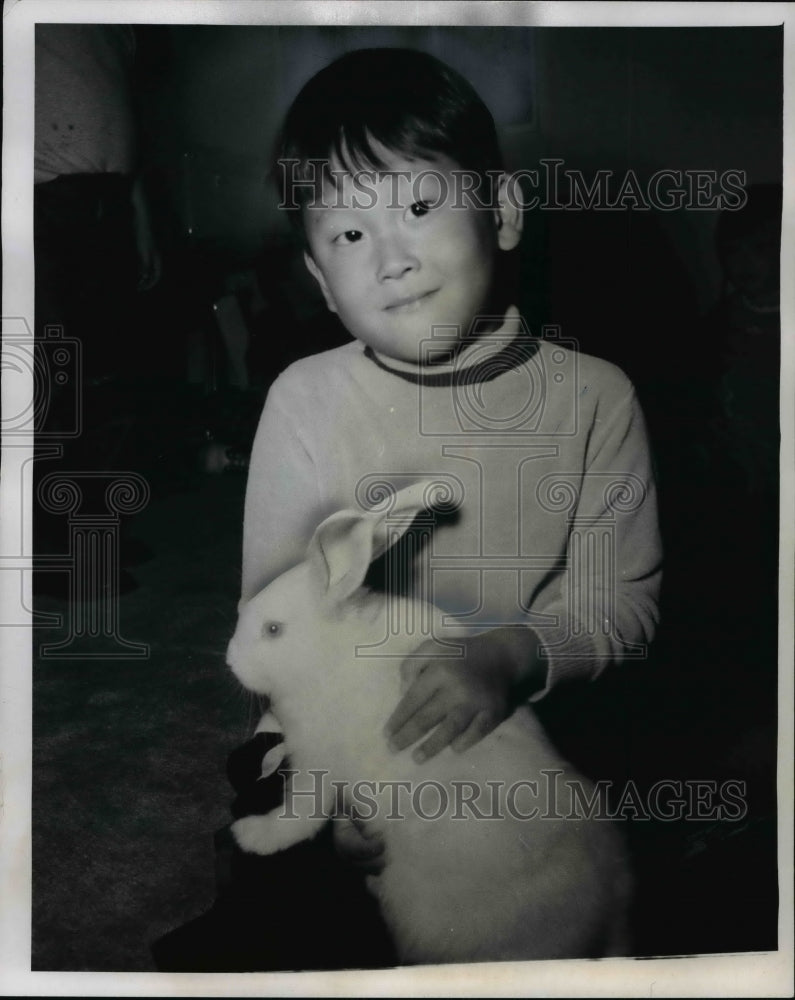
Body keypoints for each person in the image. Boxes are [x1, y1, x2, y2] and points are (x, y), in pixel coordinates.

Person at [156, 47, 662, 970]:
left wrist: (509, 656)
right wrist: (322, 791)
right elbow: (275, 628)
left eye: (419, 209)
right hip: (330, 736)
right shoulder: (302, 400)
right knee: (269, 893)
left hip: (522, 727)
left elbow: (620, 607)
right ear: (316, 277)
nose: (388, 259)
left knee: (569, 873)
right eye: (347, 237)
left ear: (502, 213)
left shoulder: (595, 398)